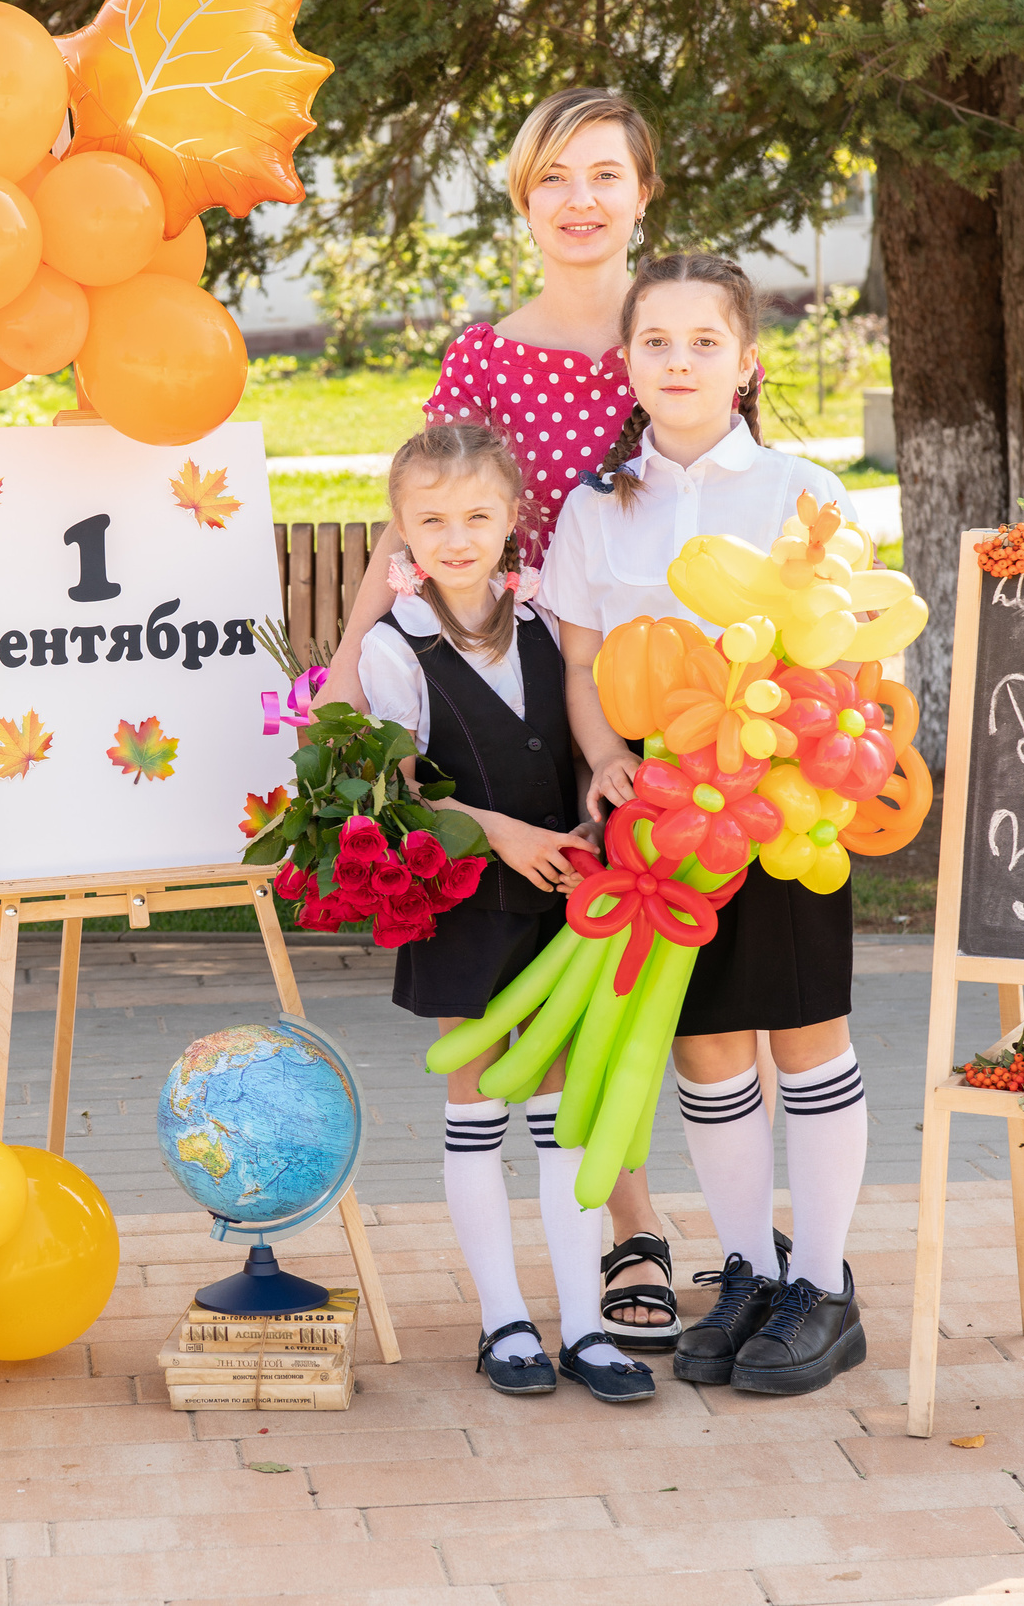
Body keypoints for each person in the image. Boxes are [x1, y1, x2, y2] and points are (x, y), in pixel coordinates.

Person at [327, 87, 686, 1348]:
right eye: (553, 180)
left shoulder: (675, 341)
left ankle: (680, 1229)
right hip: (516, 696)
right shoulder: (485, 355)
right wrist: (343, 659)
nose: (580, 202)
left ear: (644, 189)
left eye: (604, 176)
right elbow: (423, 511)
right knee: (557, 965)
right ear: (523, 200)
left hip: (655, 687)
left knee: (644, 978)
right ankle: (623, 1235)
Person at [537, 251, 871, 1398]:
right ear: (624, 363)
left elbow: (851, 647)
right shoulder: (592, 507)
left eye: (703, 342)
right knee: (709, 1046)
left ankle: (821, 1285)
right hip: (661, 816)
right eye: (655, 342)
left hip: (779, 806)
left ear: (748, 361)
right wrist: (601, 761)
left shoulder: (797, 492)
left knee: (804, 1035)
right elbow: (580, 661)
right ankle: (744, 1269)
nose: (678, 361)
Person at [365, 419, 655, 1404]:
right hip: (465, 905)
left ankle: (583, 1320)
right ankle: (503, 1319)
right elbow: (397, 794)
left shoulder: (546, 625)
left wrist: (580, 825)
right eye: (432, 518)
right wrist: (500, 832)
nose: (456, 536)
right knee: (479, 1106)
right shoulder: (394, 648)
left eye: (476, 514)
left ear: (511, 517)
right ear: (401, 527)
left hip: (562, 905)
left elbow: (585, 747)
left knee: (563, 1114)